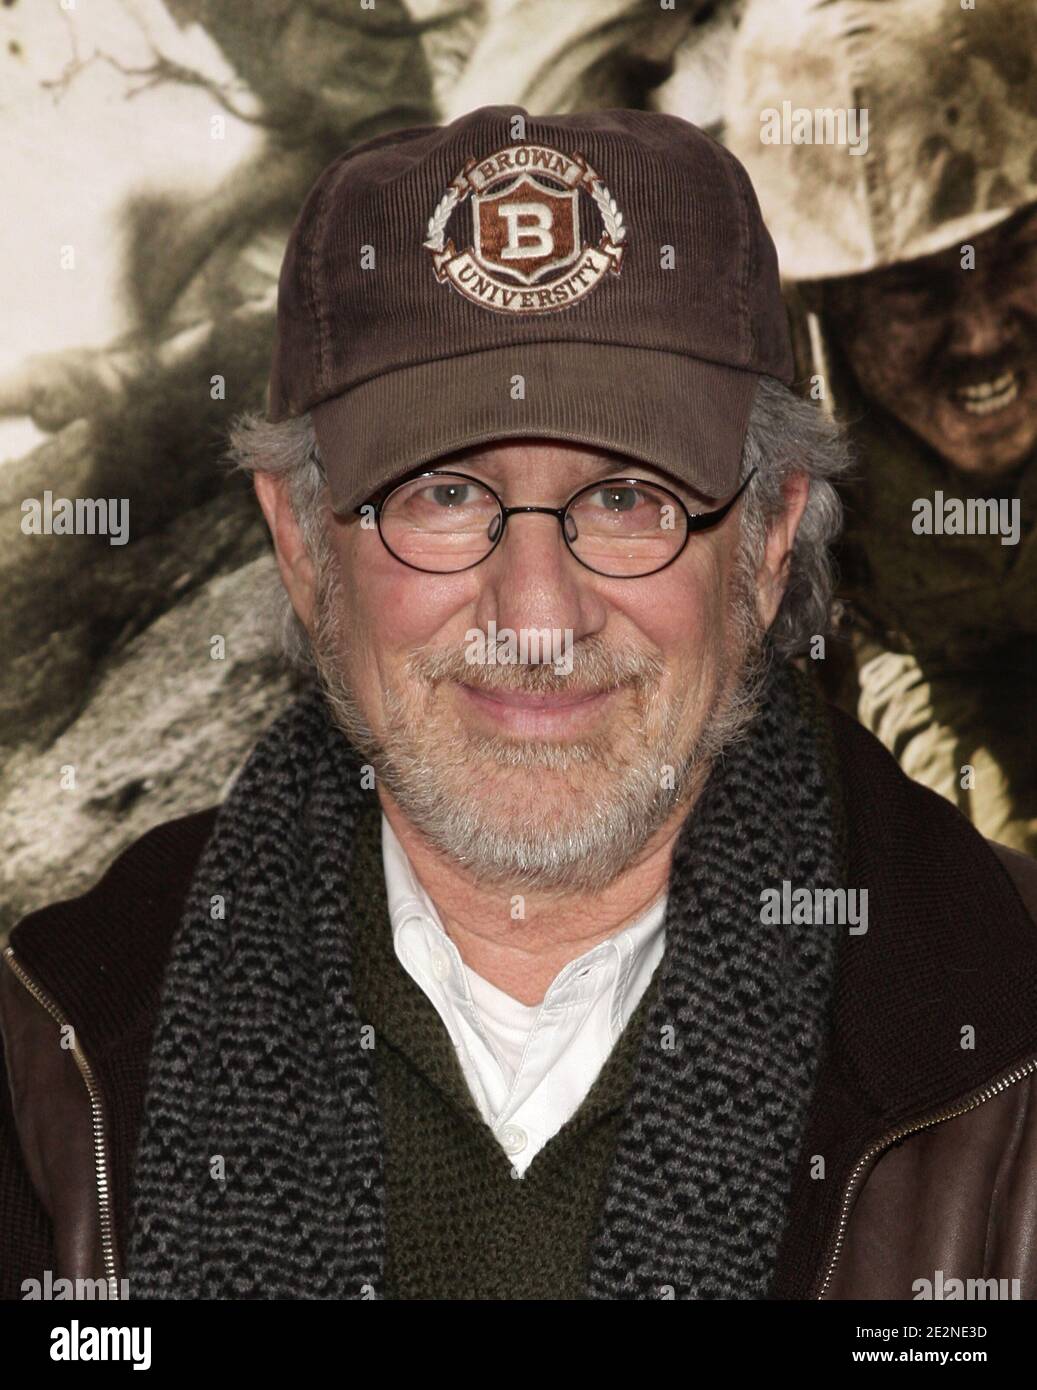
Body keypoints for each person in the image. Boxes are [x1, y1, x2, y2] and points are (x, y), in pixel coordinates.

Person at [2, 104, 1036, 1303]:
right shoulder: (56, 1050)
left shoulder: (1003, 1039)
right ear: (298, 543)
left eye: (627, 499)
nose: (537, 617)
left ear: (765, 544)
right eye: (441, 493)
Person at [724, 0, 1037, 855]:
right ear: (828, 298)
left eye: (1016, 250)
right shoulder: (751, 394)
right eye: (912, 291)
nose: (979, 337)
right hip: (932, 656)